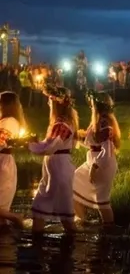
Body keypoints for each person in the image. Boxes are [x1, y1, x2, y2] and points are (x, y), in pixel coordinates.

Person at [29, 85, 79, 234]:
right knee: (42, 205)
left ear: (56, 103)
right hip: (54, 168)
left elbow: (50, 146)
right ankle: (37, 245)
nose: (48, 104)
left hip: (59, 168)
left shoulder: (61, 124)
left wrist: (29, 144)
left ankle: (70, 248)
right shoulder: (61, 122)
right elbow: (49, 145)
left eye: (50, 101)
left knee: (64, 215)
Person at [73, 91, 120, 225]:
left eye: (92, 104)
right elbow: (93, 145)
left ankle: (109, 230)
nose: (90, 106)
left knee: (102, 201)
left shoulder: (104, 122)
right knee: (72, 185)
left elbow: (107, 150)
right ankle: (81, 222)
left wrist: (95, 167)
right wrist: (77, 137)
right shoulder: (97, 121)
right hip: (92, 162)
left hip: (102, 165)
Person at [0, 92, 26, 228]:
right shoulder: (5, 121)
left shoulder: (9, 122)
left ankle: (16, 218)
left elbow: (1, 141)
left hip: (3, 164)